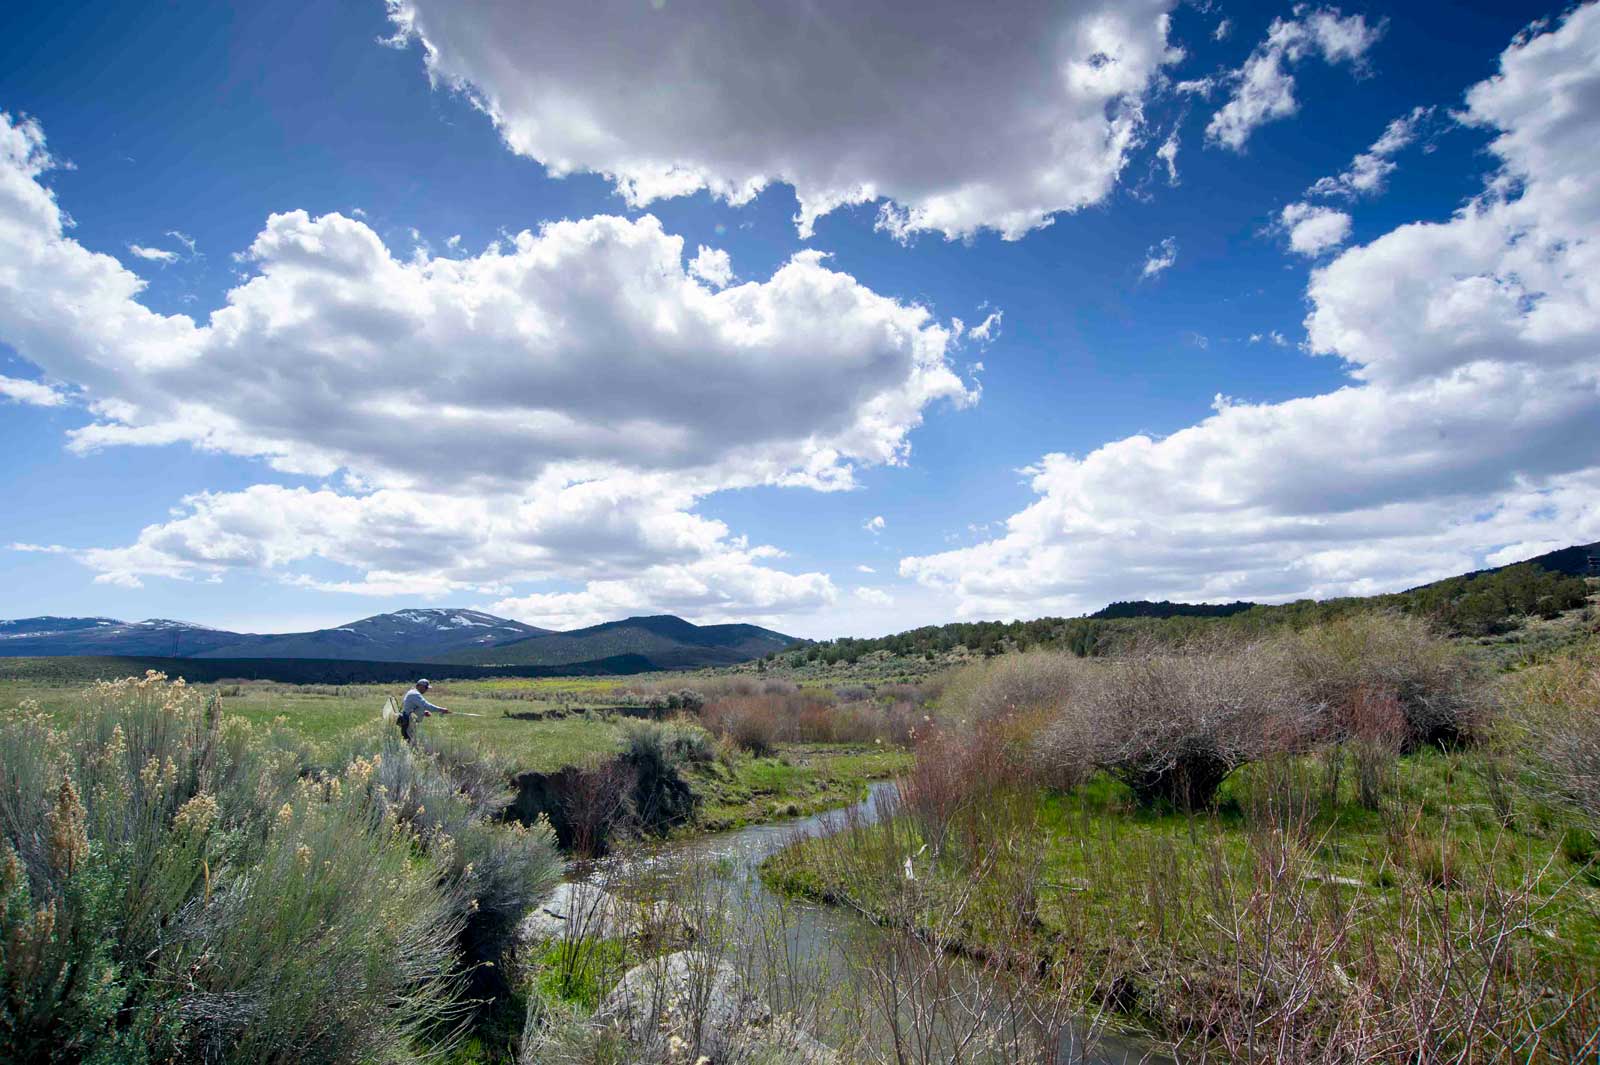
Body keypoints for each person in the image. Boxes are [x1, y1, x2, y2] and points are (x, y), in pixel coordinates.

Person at [397, 678, 450, 743]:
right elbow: (426, 705)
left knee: (410, 742)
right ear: (419, 686)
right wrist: (441, 709)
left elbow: (412, 707)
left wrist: (423, 712)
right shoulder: (414, 694)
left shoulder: (412, 692)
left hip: (408, 721)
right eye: (425, 687)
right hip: (408, 722)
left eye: (427, 688)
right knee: (410, 743)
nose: (426, 690)